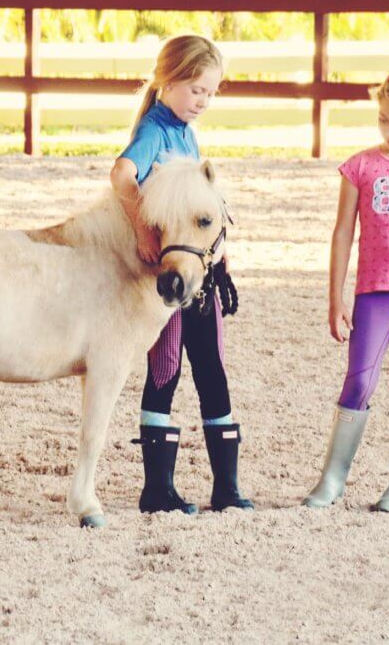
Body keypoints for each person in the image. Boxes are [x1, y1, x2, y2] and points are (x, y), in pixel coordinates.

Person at [110, 35, 253, 514]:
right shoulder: (155, 129)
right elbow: (122, 173)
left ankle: (227, 488)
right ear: (166, 82)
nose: (203, 102)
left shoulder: (187, 134)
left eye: (210, 94)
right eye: (195, 90)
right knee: (166, 370)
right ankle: (158, 489)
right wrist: (142, 232)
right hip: (172, 278)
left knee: (212, 370)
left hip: (201, 275)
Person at [304, 66, 389, 513]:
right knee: (359, 379)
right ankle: (332, 479)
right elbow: (343, 232)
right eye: (383, 119)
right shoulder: (359, 167)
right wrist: (335, 297)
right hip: (374, 293)